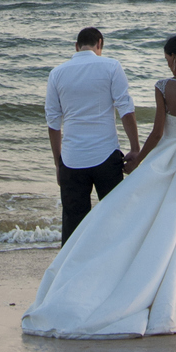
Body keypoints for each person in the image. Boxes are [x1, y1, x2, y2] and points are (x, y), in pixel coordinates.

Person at [22, 34, 176, 339]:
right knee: (172, 229)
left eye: (168, 57)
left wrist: (137, 158)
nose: (166, 62)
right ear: (99, 44)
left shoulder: (162, 87)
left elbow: (157, 132)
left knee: (112, 221)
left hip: (108, 159)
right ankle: (170, 294)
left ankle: (82, 283)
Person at [44, 26, 141, 246]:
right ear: (100, 44)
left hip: (72, 159)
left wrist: (58, 163)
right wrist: (135, 149)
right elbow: (126, 109)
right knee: (115, 221)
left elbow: (53, 123)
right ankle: (114, 272)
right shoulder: (111, 66)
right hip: (106, 157)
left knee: (73, 229)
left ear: (76, 47)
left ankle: (71, 276)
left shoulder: (57, 73)